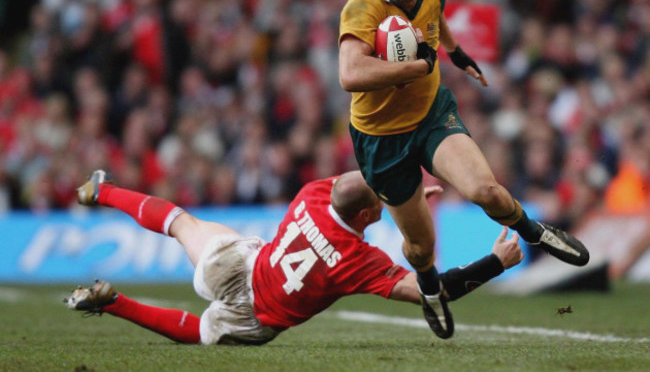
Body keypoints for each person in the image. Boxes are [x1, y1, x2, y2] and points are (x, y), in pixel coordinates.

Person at [337, 0, 589, 339]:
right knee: (420, 247)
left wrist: (455, 52)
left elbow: (437, 19)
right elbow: (349, 73)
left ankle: (535, 231)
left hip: (432, 114)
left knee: (484, 190)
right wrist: (415, 66)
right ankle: (431, 288)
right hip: (381, 138)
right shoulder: (363, 5)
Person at [64, 169, 523, 345]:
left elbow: (353, 185)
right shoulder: (358, 261)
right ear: (367, 214)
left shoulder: (313, 193)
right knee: (200, 331)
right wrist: (495, 262)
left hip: (241, 264)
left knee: (179, 222)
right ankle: (113, 303)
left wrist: (406, 195)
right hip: (257, 315)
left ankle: (101, 191)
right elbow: (434, 292)